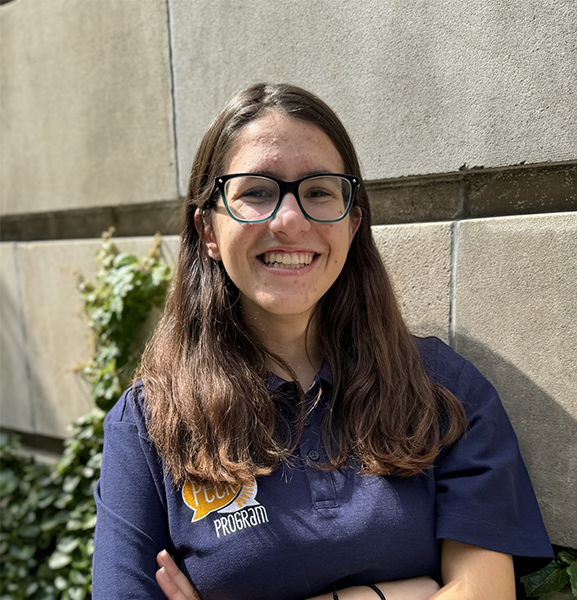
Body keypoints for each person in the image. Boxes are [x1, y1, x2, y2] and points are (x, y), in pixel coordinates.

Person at [92, 83, 553, 600]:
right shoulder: (150, 425)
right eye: (256, 191)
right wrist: (393, 595)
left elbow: (486, 594)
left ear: (352, 223)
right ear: (208, 232)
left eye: (318, 192)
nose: (290, 220)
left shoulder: (442, 390)